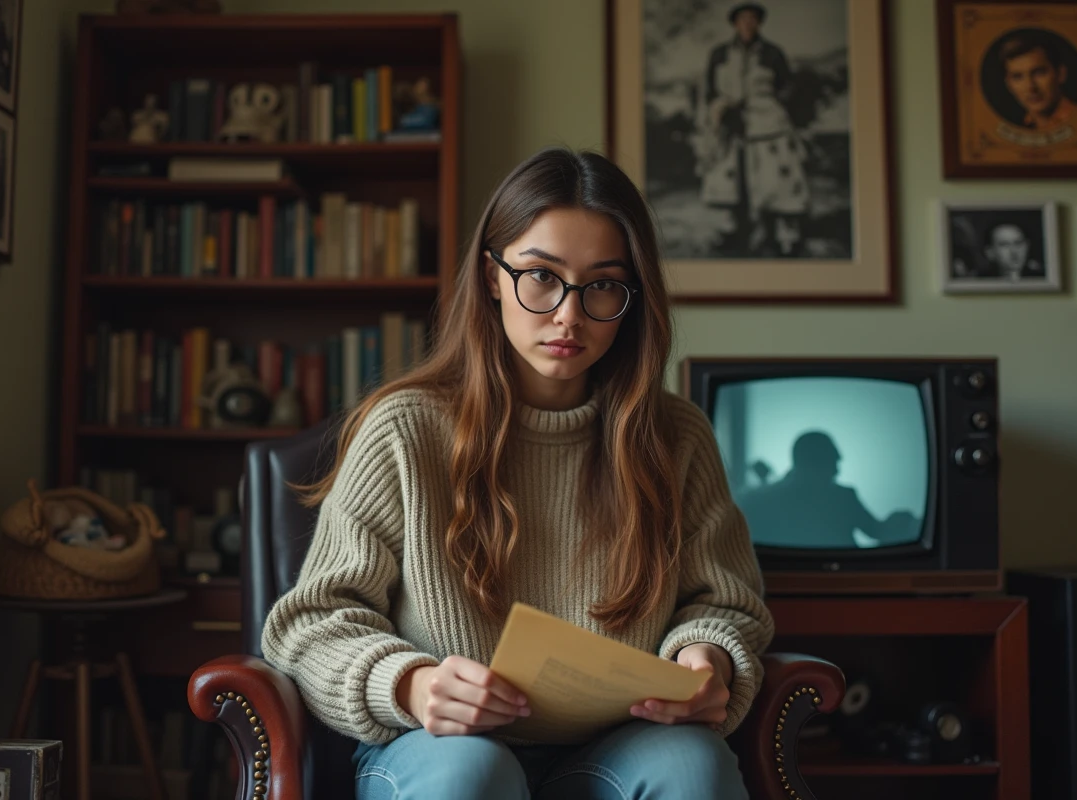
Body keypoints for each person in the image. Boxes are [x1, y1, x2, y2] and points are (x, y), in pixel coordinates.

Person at [261, 147, 773, 799]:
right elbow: (311, 620)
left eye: (603, 286)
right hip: (442, 748)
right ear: (492, 276)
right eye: (541, 276)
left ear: (633, 295)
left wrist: (709, 658)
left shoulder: (676, 438)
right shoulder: (406, 429)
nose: (569, 314)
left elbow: (723, 602)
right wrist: (410, 685)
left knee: (693, 767)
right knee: (474, 774)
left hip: (617, 745)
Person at [694, 2, 811, 257]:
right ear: (735, 23)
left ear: (759, 23)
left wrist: (771, 106)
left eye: (753, 19)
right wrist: (721, 111)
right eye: (743, 19)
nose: (748, 24)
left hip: (768, 125)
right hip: (731, 125)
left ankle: (782, 235)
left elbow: (787, 87)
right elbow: (711, 89)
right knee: (732, 181)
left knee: (774, 178)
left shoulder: (772, 53)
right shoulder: (720, 54)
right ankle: (736, 233)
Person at [738, 431, 885, 549]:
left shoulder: (756, 498)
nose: (837, 468)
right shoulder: (843, 497)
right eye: (833, 460)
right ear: (817, 461)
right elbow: (877, 532)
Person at [997, 31, 1077, 132]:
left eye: (1039, 73)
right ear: (1009, 84)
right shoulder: (1020, 126)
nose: (1030, 87)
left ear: (1061, 74)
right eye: (1017, 77)